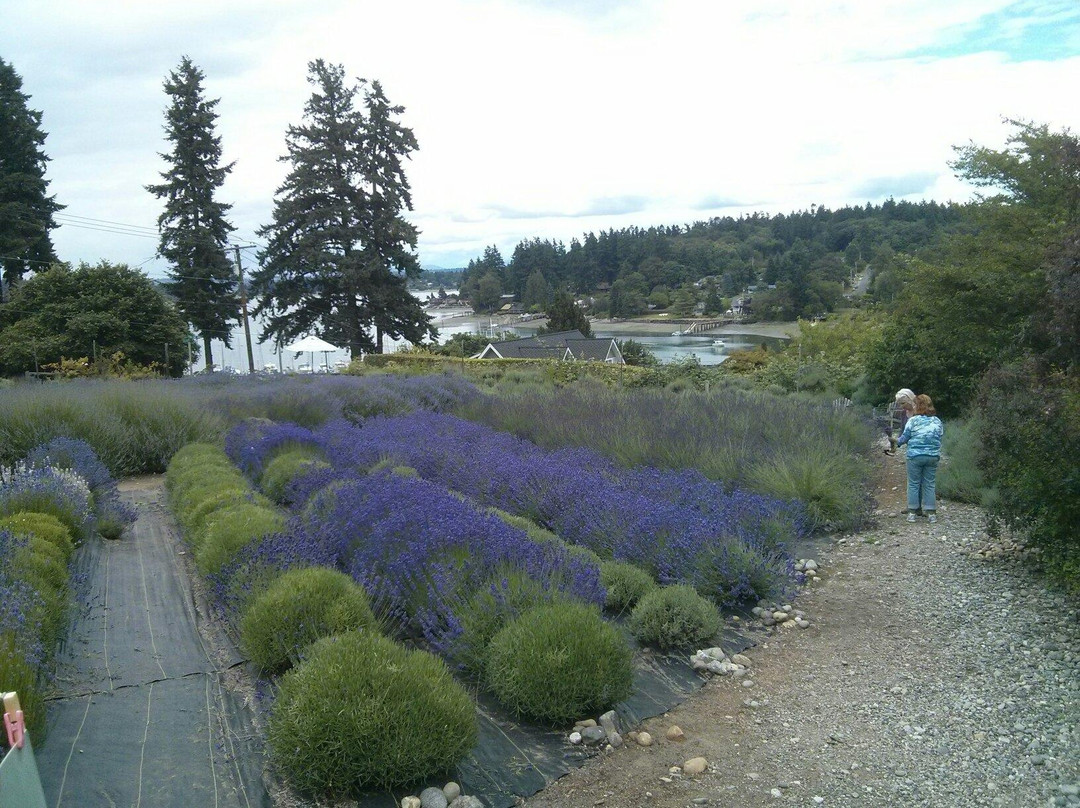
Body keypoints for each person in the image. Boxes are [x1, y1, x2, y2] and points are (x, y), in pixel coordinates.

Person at [896, 393, 944, 523]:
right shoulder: (937, 421)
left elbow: (904, 438)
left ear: (918, 406)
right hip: (932, 456)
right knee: (929, 484)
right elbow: (939, 436)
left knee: (913, 483)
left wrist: (896, 442)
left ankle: (912, 512)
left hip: (915, 456)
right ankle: (931, 513)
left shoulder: (913, 421)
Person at [885, 388, 916, 454]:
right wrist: (895, 444)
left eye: (903, 403)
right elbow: (902, 430)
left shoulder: (921, 411)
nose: (901, 406)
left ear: (910, 400)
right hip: (911, 449)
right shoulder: (903, 413)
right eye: (899, 404)